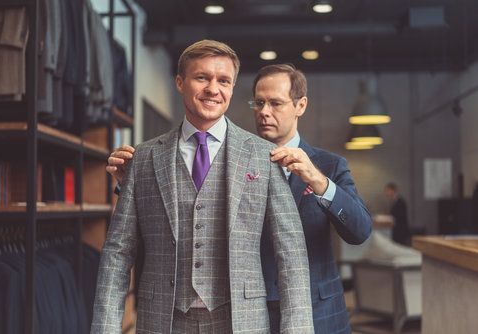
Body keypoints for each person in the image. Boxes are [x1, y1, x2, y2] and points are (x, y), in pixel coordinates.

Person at [108, 63, 372, 333]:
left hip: (317, 314)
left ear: (300, 105)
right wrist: (132, 185)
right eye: (258, 103)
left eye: (275, 103)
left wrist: (318, 182)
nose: (264, 112)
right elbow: (189, 220)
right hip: (243, 316)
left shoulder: (329, 165)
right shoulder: (228, 157)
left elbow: (360, 230)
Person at [92, 40, 314, 334]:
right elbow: (118, 254)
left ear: (232, 88)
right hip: (162, 321)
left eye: (223, 80)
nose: (213, 89)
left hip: (241, 321)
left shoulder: (264, 156)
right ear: (180, 82)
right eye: (202, 78)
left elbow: (291, 254)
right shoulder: (144, 158)